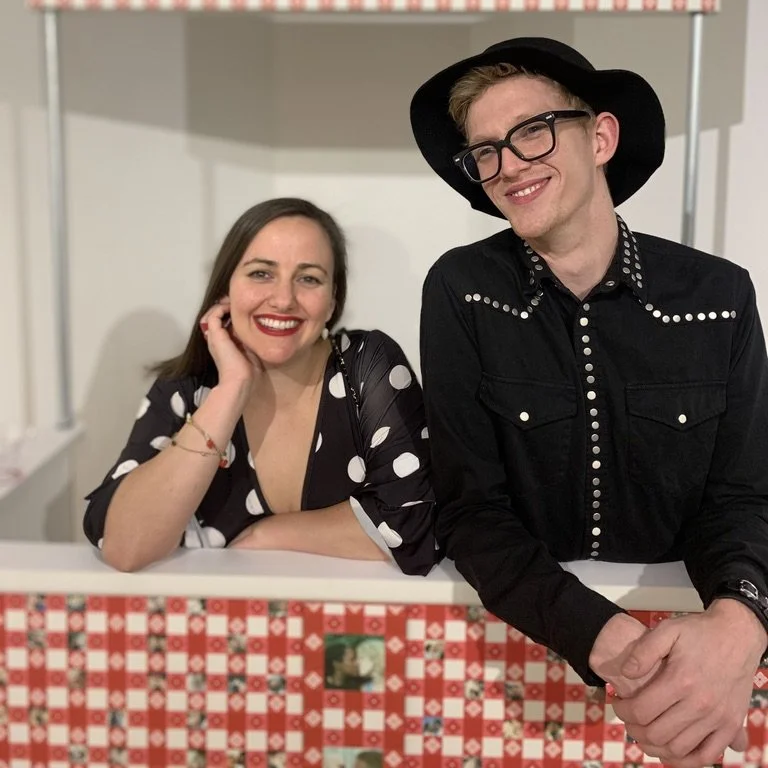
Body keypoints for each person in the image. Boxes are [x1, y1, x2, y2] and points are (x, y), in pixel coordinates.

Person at [410, 37, 768, 768]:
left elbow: (743, 497)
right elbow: (470, 511)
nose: (508, 165)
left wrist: (738, 624)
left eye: (532, 131)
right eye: (485, 152)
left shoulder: (719, 296)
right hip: (525, 654)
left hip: (701, 663)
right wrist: (615, 645)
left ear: (601, 136)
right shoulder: (461, 291)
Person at [83, 197, 436, 576]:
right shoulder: (186, 388)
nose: (283, 300)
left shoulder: (367, 365)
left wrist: (268, 534)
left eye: (309, 278)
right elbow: (126, 546)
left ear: (333, 301)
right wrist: (231, 388)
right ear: (226, 290)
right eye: (261, 274)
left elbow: (415, 528)